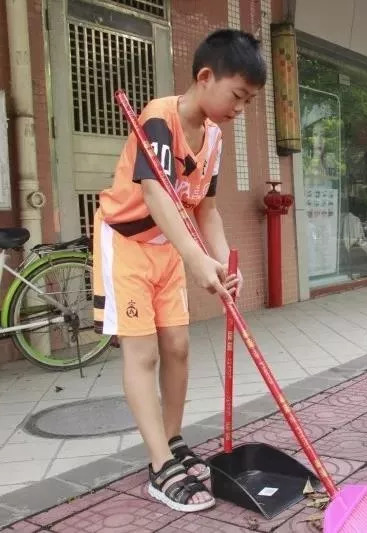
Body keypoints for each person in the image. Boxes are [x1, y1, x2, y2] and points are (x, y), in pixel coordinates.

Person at [91, 29, 265, 512]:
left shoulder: (214, 138)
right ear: (205, 77)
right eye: (237, 96)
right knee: (142, 354)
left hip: (169, 247)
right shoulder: (158, 118)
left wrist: (225, 262)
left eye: (248, 101)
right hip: (126, 246)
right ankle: (158, 464)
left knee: (180, 348)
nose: (239, 108)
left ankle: (171, 441)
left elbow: (206, 209)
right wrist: (196, 259)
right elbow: (157, 196)